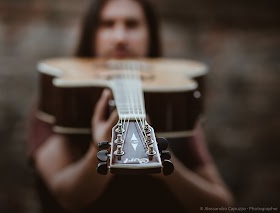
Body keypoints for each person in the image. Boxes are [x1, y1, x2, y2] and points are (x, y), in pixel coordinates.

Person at [28, 0, 234, 212]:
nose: (120, 38)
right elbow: (67, 197)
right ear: (91, 33)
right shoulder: (62, 98)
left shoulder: (172, 98)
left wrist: (168, 168)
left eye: (132, 24)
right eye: (107, 24)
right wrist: (98, 152)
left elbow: (221, 204)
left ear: (150, 33)